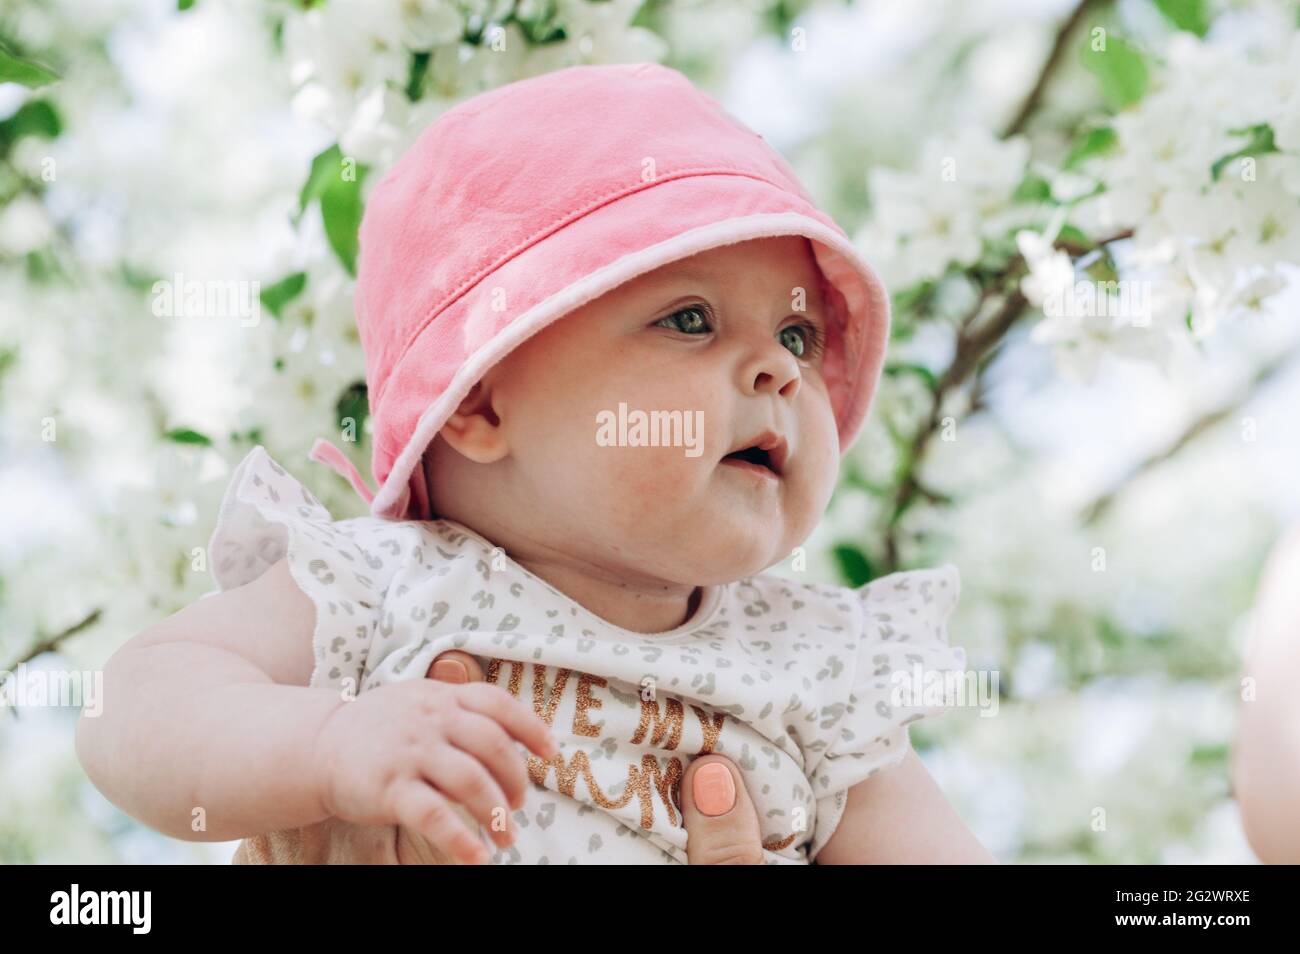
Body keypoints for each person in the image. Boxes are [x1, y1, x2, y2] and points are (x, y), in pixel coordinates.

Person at [76, 62, 994, 864]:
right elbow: (132, 708)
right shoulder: (381, 586)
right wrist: (327, 744)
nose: (780, 368)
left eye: (799, 332)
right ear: (478, 402)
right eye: (690, 318)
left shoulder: (817, 661)